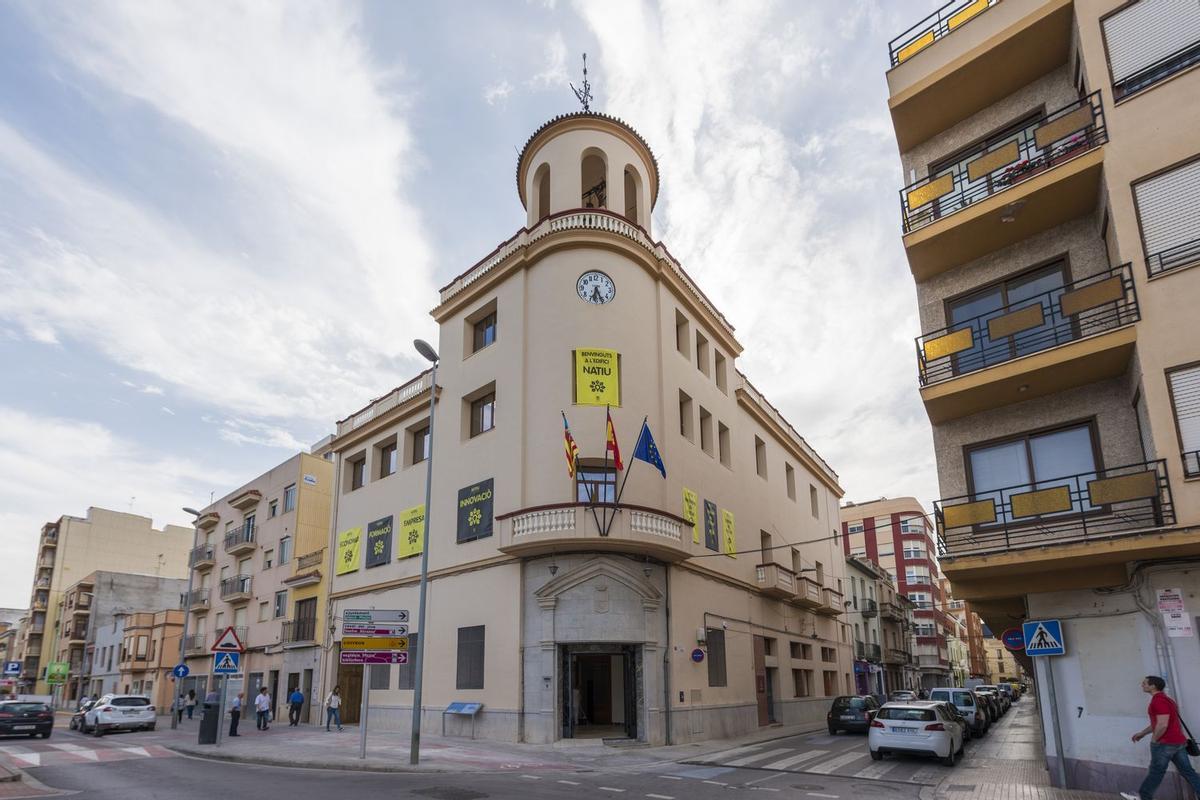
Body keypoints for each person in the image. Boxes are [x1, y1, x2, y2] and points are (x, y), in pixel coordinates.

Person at [1121, 675, 1200, 800]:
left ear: (1153, 686)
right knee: (1188, 772)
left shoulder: (1158, 701)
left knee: (1156, 772)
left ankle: (1143, 796)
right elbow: (1158, 723)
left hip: (1165, 744)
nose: (1142, 685)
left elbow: (1162, 724)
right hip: (1179, 742)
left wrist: (1155, 740)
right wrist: (1142, 733)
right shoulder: (1167, 700)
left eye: (1145, 683)